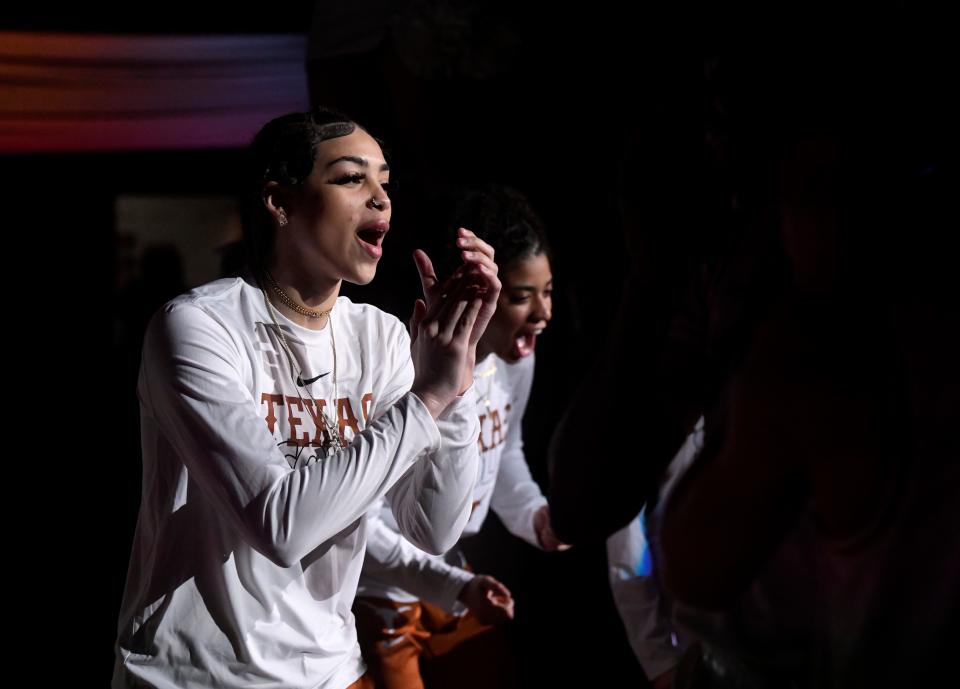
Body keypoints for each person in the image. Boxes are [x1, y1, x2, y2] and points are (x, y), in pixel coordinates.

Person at [112, 106, 501, 689]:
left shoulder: (382, 336)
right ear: (279, 201)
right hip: (200, 677)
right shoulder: (195, 327)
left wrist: (457, 378)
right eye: (351, 178)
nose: (380, 200)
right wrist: (426, 400)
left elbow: (434, 528)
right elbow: (282, 526)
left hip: (332, 671)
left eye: (385, 183)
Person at [353, 185, 567, 689]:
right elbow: (362, 521)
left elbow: (503, 448)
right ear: (476, 290)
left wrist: (535, 515)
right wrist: (454, 584)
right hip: (381, 591)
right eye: (520, 296)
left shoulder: (519, 361)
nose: (543, 313)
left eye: (549, 290)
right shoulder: (407, 371)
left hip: (453, 578)